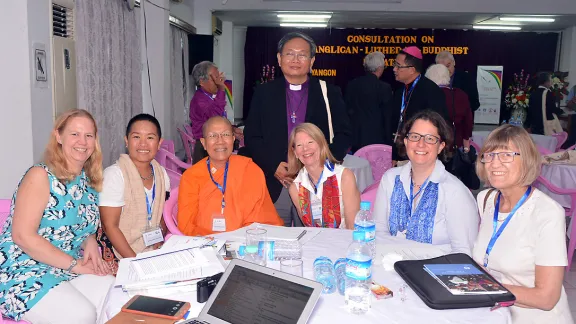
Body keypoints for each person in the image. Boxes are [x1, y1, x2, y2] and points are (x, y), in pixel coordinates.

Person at [0, 109, 113, 323]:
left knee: (110, 289)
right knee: (81, 315)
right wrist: (75, 264)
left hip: (62, 267)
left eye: (89, 135)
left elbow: (78, 219)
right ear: (58, 136)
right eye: (75, 134)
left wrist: (90, 241)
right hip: (23, 270)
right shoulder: (40, 176)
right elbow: (23, 236)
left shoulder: (88, 180)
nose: (83, 141)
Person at [244, 32, 352, 227]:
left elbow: (345, 134)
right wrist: (273, 166)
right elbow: (252, 135)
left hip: (315, 182)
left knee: (316, 237)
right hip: (276, 181)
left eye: (302, 55)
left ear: (312, 61)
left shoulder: (329, 92)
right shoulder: (264, 93)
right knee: (276, 237)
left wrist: (319, 167)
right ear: (279, 58)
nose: (295, 60)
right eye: (289, 54)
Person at [472, 124, 573, 323]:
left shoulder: (547, 213)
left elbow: (547, 298)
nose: (494, 163)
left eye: (506, 155)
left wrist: (485, 289)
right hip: (494, 313)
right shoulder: (486, 200)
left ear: (526, 160)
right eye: (489, 155)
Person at [372, 110, 478, 255]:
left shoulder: (455, 191)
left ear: (441, 146)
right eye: (415, 137)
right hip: (390, 266)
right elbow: (378, 231)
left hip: (436, 272)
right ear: (405, 141)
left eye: (429, 139)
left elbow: (463, 252)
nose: (420, 144)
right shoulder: (390, 179)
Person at [178, 116, 283, 235]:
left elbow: (261, 217)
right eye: (213, 136)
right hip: (205, 243)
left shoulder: (250, 170)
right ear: (204, 143)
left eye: (226, 135)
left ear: (233, 139)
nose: (220, 141)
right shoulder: (191, 177)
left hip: (246, 241)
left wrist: (238, 239)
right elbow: (186, 223)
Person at [97, 114, 171, 275]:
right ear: (126, 141)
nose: (143, 144)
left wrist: (158, 242)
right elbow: (110, 227)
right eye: (136, 137)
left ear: (159, 143)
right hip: (120, 255)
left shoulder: (161, 173)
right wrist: (137, 263)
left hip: (151, 249)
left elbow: (163, 214)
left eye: (150, 137)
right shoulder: (114, 175)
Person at [287, 123, 360, 229]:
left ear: (321, 145)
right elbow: (309, 229)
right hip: (315, 243)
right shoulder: (296, 188)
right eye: (299, 145)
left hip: (345, 242)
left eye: (310, 142)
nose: (305, 149)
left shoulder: (344, 177)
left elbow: (352, 228)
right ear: (295, 153)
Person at [390, 46, 449, 160]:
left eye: (398, 66)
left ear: (412, 70)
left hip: (421, 152)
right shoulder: (399, 92)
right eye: (394, 65)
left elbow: (439, 126)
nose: (394, 69)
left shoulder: (431, 90)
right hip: (400, 150)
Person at [190, 61, 242, 163]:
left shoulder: (209, 96)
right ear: (202, 82)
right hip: (205, 147)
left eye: (219, 77)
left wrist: (232, 129)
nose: (219, 82)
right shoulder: (199, 100)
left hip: (214, 142)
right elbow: (215, 117)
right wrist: (221, 89)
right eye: (215, 79)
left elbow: (219, 121)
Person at [345, 51, 393, 152]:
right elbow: (387, 118)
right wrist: (390, 144)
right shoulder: (384, 88)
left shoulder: (352, 85)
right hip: (377, 141)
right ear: (380, 68)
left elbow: (346, 112)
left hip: (354, 140)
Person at [425, 64, 473, 152]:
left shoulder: (427, 95)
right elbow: (468, 122)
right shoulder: (461, 94)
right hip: (455, 144)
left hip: (431, 144)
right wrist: (466, 144)